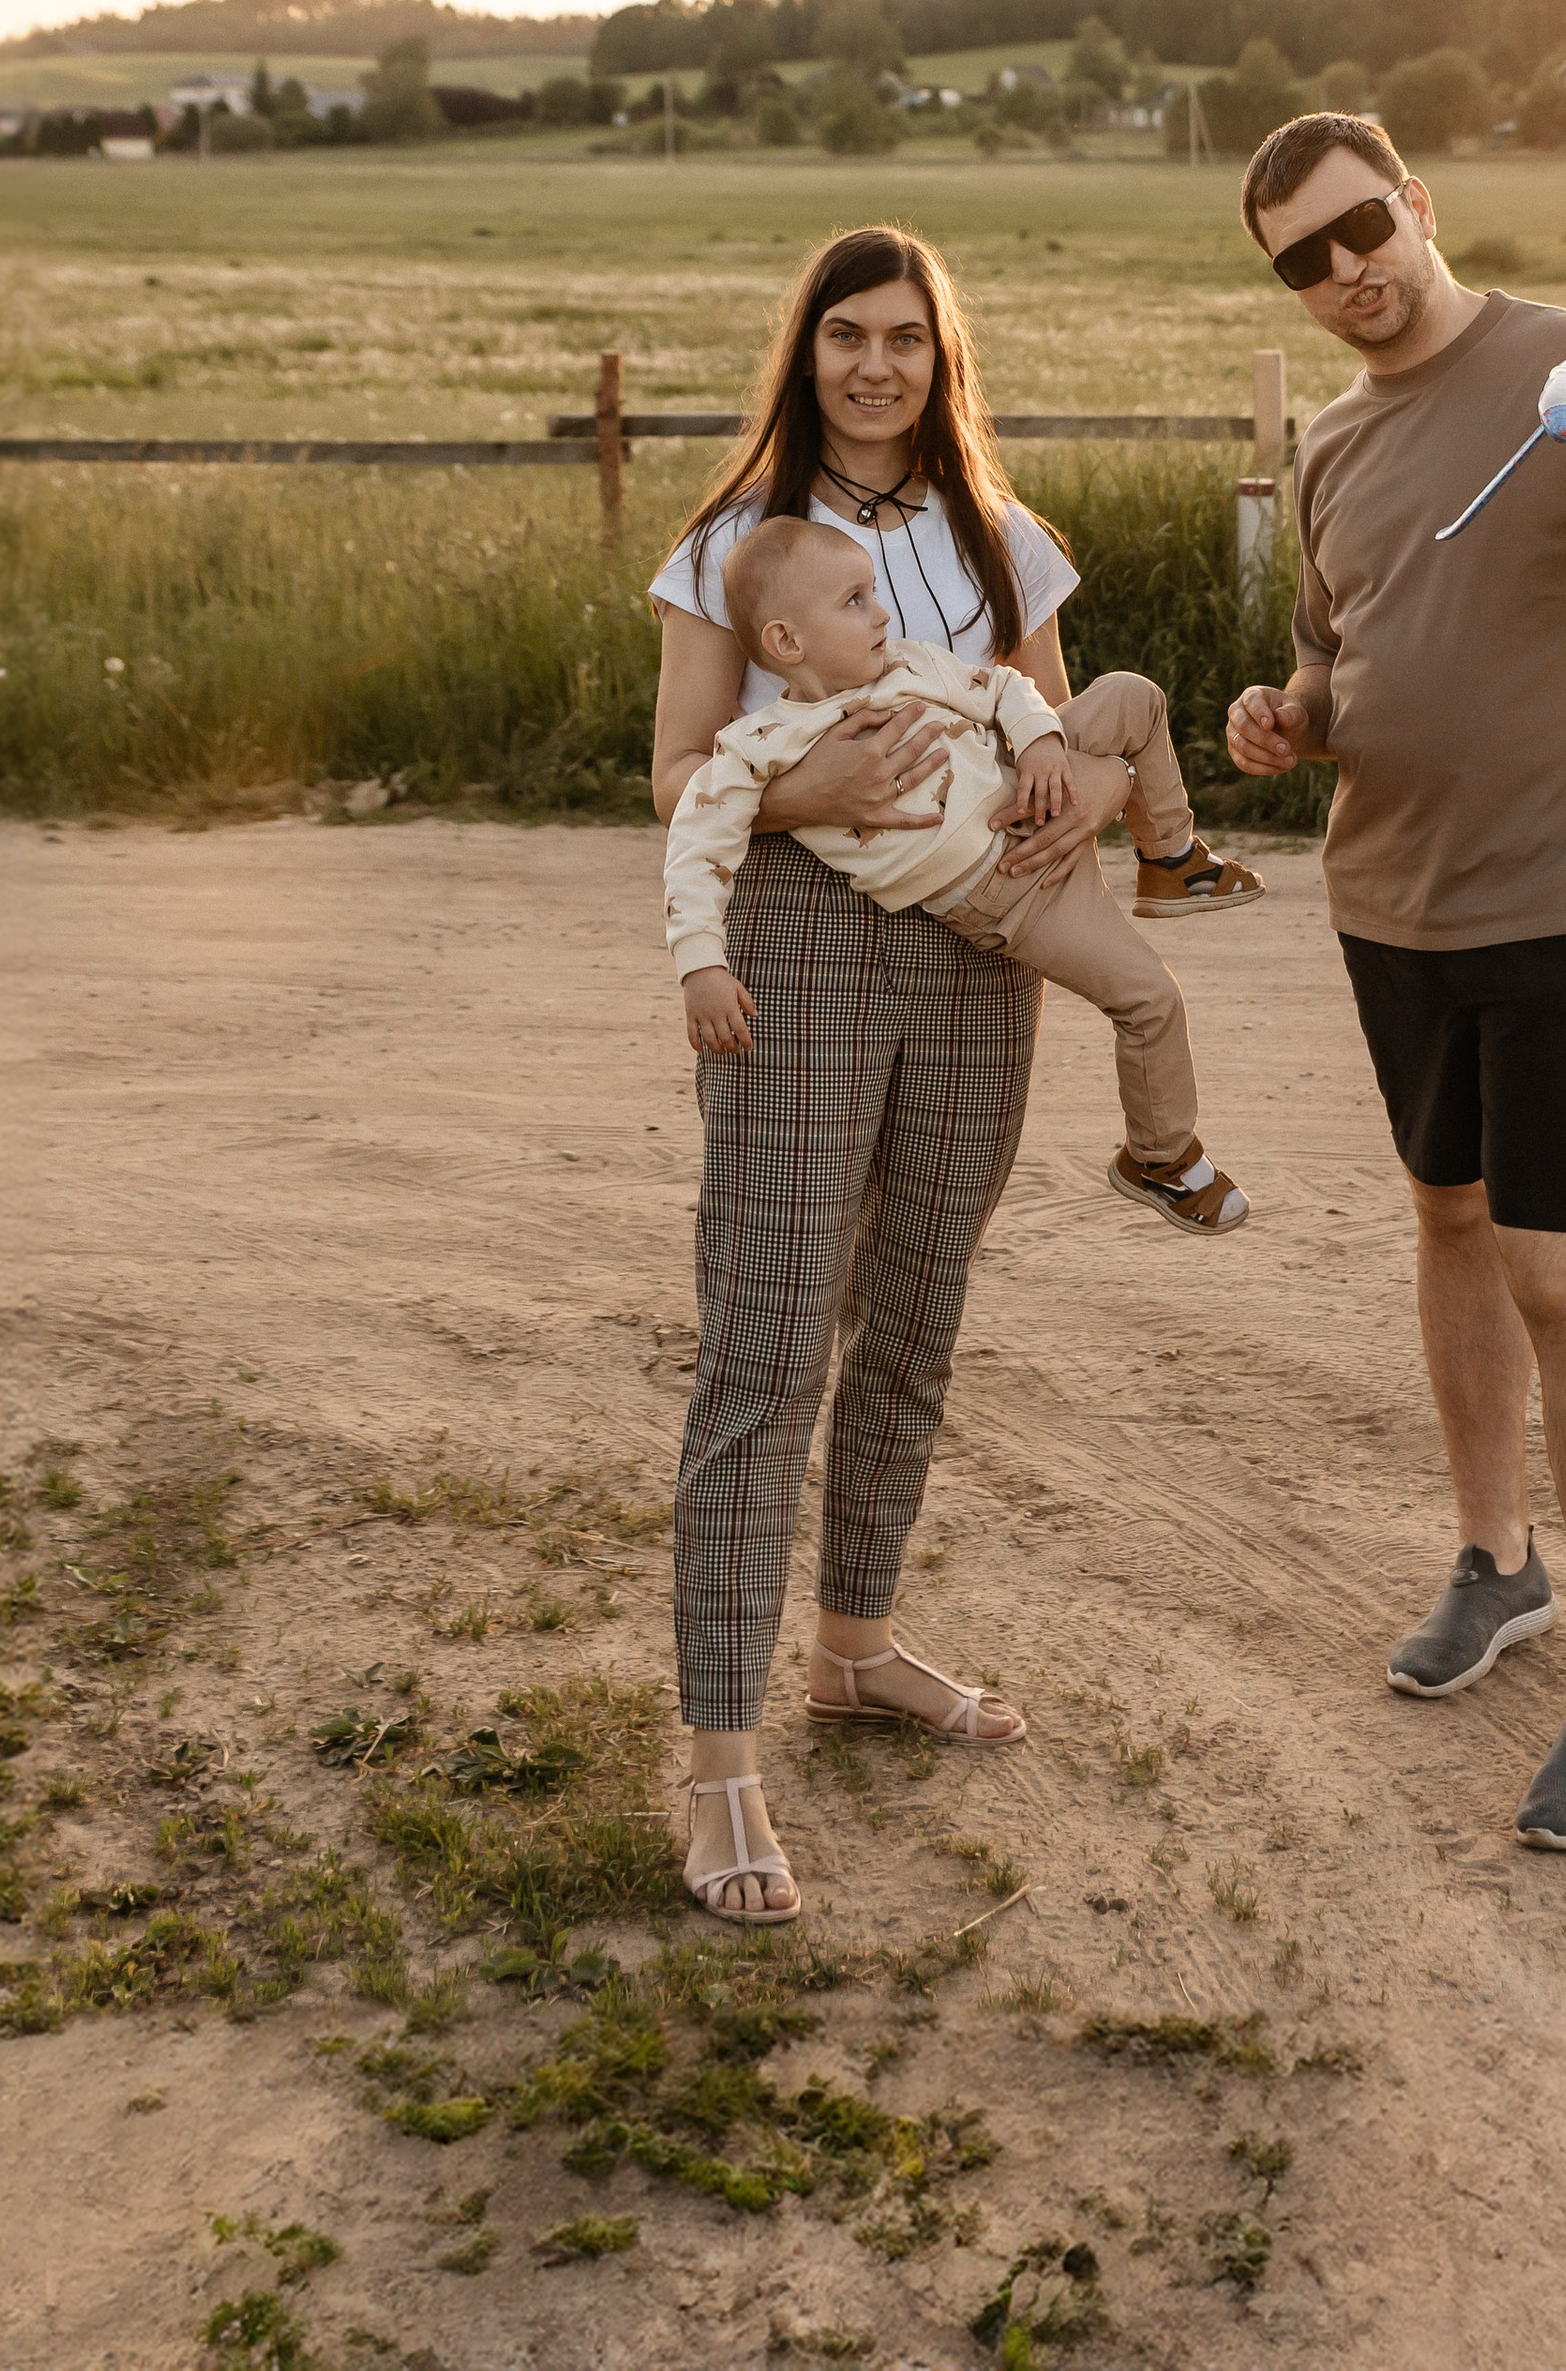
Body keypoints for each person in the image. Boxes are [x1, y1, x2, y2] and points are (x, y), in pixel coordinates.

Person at [647, 224, 1256, 1922]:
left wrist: (1065, 776)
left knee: (916, 1316)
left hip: (989, 957)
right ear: (807, 351)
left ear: (940, 357)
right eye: (846, 336)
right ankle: (720, 1766)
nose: (874, 367)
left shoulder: (1006, 542)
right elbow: (681, 774)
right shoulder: (734, 547)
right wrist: (809, 787)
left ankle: (852, 1651)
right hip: (800, 964)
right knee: (767, 1339)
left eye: (905, 338)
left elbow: (1042, 736)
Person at [1223, 115, 1566, 1852]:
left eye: (1360, 228)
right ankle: (1496, 1561)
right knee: (1450, 1222)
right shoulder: (1332, 445)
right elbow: (1343, 648)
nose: (1343, 273)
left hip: (1560, 901)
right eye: (1302, 259)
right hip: (1388, 900)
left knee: (1562, 1271)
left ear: (1421, 204)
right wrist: (1287, 717)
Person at [664, 513, 1236, 1215]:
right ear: (787, 640)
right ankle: (1161, 1158)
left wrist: (1040, 745)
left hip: (1034, 786)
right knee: (1151, 998)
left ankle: (1171, 857)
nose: (881, 613)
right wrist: (701, 967)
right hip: (1016, 891)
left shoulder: (911, 662)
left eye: (873, 592)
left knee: (1132, 694)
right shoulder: (759, 745)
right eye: (854, 601)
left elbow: (1004, 690)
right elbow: (697, 851)